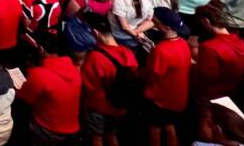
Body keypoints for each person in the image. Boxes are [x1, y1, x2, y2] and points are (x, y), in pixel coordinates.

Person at [81, 13, 139, 146]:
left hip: (99, 106)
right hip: (120, 105)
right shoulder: (127, 52)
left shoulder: (95, 57)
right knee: (112, 134)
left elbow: (88, 84)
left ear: (96, 33)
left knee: (97, 137)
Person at [17, 33, 81, 144]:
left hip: (47, 129)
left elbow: (25, 98)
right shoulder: (75, 69)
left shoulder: (39, 74)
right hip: (73, 128)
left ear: (41, 49)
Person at [143, 8, 192, 146]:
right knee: (170, 126)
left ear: (166, 27)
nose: (153, 22)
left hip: (160, 99)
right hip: (178, 97)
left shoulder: (161, 50)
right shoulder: (183, 43)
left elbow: (152, 76)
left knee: (155, 130)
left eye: (156, 22)